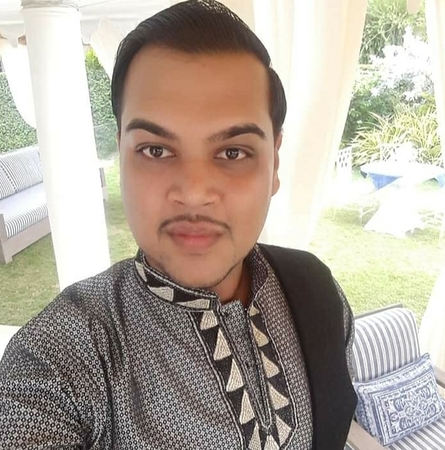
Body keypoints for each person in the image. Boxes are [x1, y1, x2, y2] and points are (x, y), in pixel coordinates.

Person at [0, 1, 357, 449]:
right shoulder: (62, 354)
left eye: (233, 152)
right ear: (122, 155)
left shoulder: (318, 292)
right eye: (155, 150)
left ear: (275, 164)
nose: (193, 192)